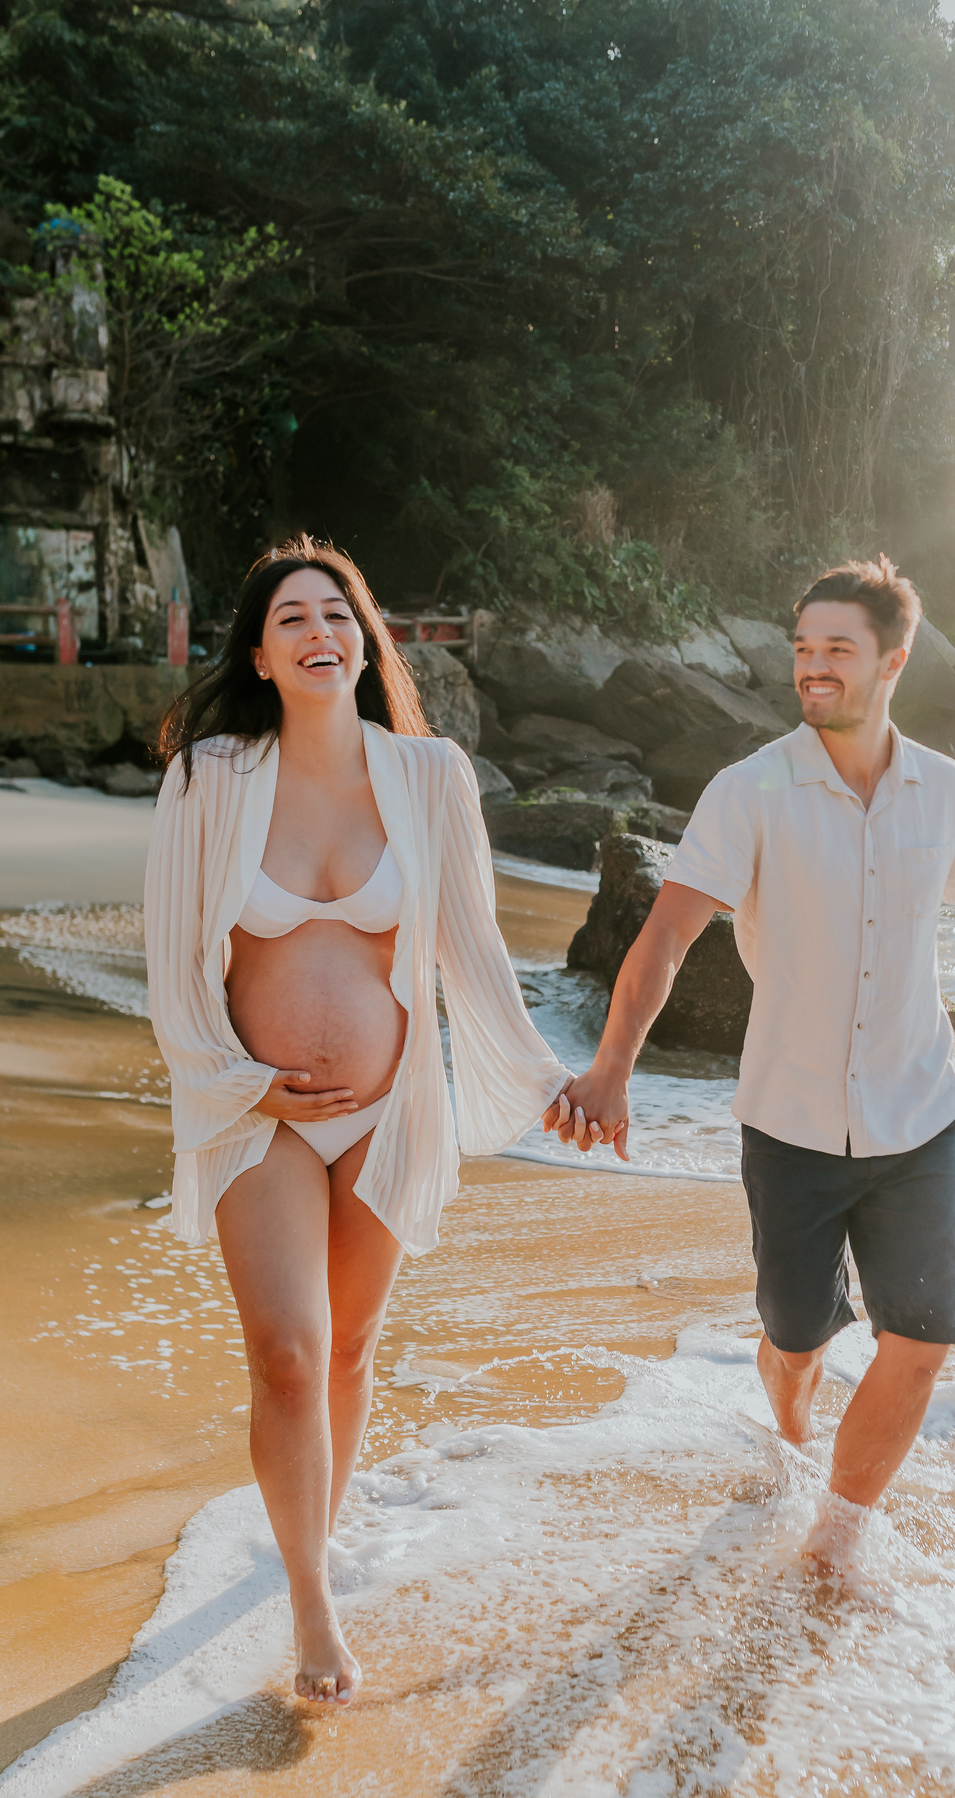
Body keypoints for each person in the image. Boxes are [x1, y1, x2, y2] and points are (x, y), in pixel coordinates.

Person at [546, 556, 955, 1571]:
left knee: (923, 1339)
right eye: (803, 647)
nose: (812, 666)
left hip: (920, 1118)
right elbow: (669, 933)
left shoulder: (944, 790)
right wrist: (612, 1065)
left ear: (893, 661)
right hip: (792, 1123)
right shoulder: (750, 791)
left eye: (837, 649)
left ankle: (834, 1541)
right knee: (797, 1341)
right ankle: (790, 1429)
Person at [146, 536, 570, 1704]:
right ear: (260, 655)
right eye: (291, 618)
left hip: (389, 1108)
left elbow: (474, 954)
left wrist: (550, 1082)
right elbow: (174, 969)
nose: (319, 631)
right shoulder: (210, 777)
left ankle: (311, 1543)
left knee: (348, 1348)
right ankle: (311, 1603)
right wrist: (241, 1081)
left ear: (367, 642)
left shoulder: (430, 776)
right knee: (289, 1351)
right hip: (259, 1114)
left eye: (338, 613)